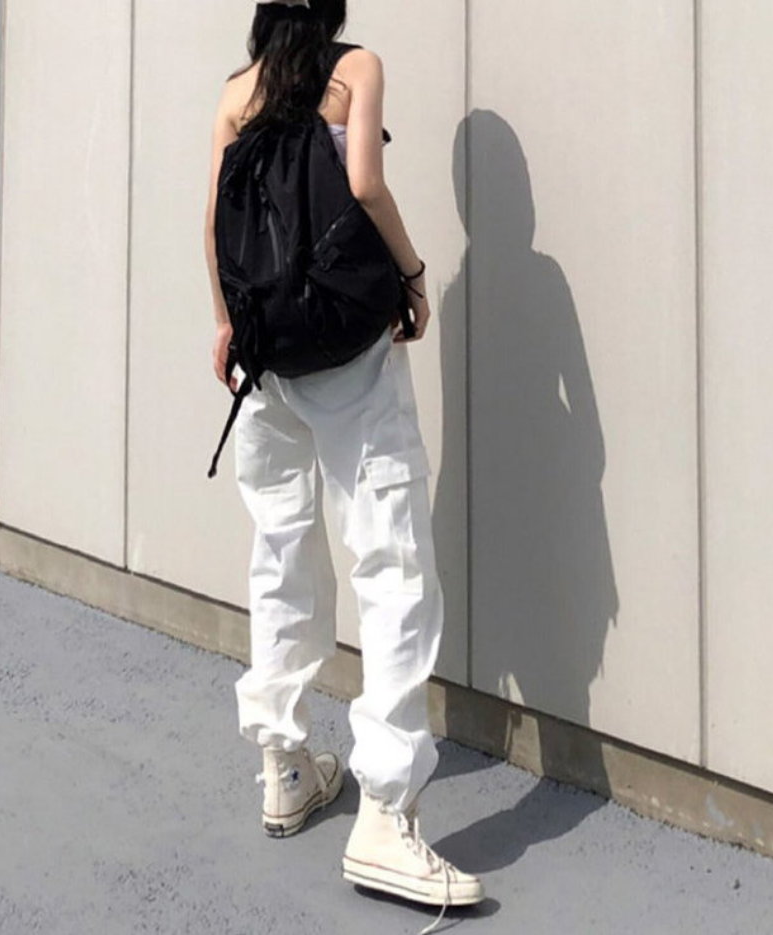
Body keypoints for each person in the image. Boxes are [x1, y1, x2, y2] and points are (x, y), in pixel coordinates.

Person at [204, 1, 484, 928]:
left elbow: (213, 217)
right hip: (348, 356)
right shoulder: (354, 67)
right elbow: (364, 181)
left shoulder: (238, 90)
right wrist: (413, 275)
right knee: (392, 560)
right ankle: (385, 811)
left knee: (282, 547)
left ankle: (284, 765)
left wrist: (227, 323)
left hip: (267, 359)